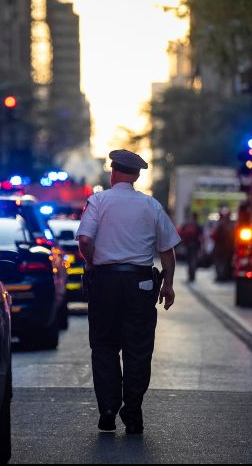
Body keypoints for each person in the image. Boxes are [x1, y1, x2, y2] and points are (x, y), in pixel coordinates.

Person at [76, 149, 181, 434]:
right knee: (138, 350)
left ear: (112, 173)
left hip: (105, 283)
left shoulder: (98, 201)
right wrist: (168, 284)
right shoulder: (151, 206)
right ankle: (132, 412)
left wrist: (92, 264)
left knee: (105, 346)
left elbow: (85, 240)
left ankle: (108, 410)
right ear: (135, 176)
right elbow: (167, 250)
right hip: (140, 285)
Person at [211, 207, 235, 281]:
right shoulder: (231, 224)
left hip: (221, 247)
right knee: (224, 262)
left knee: (220, 262)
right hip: (227, 247)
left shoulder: (220, 224)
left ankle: (221, 276)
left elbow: (214, 235)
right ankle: (223, 275)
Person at [179, 212, 203, 282]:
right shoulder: (198, 225)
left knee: (189, 261)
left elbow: (181, 233)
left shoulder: (187, 224)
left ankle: (190, 275)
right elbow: (201, 237)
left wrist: (182, 243)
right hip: (195, 245)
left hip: (188, 245)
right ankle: (192, 275)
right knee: (193, 260)